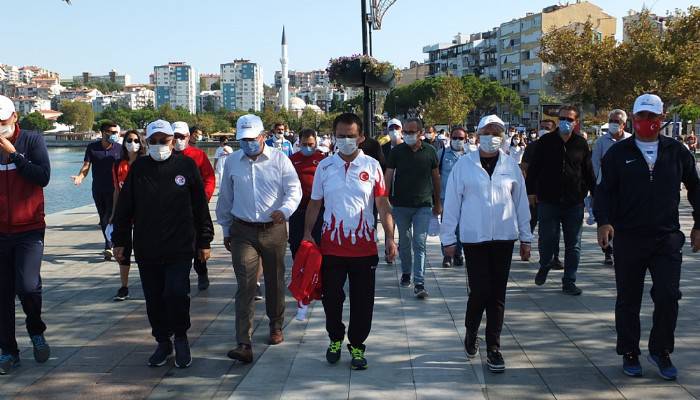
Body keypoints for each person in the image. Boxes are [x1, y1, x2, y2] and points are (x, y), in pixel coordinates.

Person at [595, 94, 700, 381]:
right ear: (633, 118)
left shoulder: (676, 151)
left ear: (661, 118)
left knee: (668, 295)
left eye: (652, 118)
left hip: (666, 238)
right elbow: (603, 191)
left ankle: (661, 350)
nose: (646, 123)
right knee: (628, 298)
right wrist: (603, 222)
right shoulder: (619, 153)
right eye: (641, 117)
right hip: (629, 237)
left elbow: (695, 187)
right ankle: (629, 351)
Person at [112, 119, 214, 369]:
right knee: (154, 298)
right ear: (147, 142)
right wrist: (120, 241)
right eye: (154, 141)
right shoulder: (139, 168)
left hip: (180, 245)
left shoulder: (187, 165)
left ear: (172, 140)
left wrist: (204, 240)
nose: (159, 145)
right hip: (148, 246)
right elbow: (125, 207)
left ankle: (180, 337)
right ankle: (162, 341)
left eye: (164, 140)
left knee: (177, 293)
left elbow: (200, 206)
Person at [303, 113, 397, 371]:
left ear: (361, 138)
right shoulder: (325, 167)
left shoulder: (372, 166)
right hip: (331, 248)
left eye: (350, 136)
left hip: (364, 249)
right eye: (341, 136)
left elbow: (382, 205)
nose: (345, 140)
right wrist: (307, 233)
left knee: (362, 302)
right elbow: (315, 203)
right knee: (331, 300)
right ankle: (335, 337)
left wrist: (390, 238)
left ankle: (357, 345)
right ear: (334, 137)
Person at [441, 114, 532, 373]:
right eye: (488, 131)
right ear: (477, 134)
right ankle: (472, 330)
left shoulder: (510, 165)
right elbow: (452, 204)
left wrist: (526, 237)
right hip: (474, 239)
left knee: (498, 294)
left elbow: (521, 203)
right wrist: (448, 239)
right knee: (480, 290)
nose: (492, 137)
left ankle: (494, 347)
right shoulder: (464, 165)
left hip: (504, 237)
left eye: (497, 132)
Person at [216, 114, 301, 364]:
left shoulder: (280, 159)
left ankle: (276, 325)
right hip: (243, 230)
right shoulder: (232, 161)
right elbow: (226, 198)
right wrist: (226, 229)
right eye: (243, 139)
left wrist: (285, 211)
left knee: (275, 281)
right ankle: (244, 341)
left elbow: (294, 189)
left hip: (273, 228)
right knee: (246, 284)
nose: (247, 143)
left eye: (252, 138)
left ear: (263, 136)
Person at [0, 96, 51, 375]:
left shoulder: (32, 140)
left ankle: (36, 329)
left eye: (3, 122)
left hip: (29, 229)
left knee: (28, 286)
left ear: (15, 117)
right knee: (3, 295)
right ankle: (8, 351)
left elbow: (42, 176)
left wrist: (14, 155)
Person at [526, 106, 595, 296]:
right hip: (548, 200)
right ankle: (545, 263)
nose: (566, 122)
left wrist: (595, 195)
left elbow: (588, 172)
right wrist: (530, 192)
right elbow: (533, 170)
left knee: (574, 244)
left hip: (574, 202)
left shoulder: (580, 143)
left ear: (576, 122)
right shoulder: (546, 141)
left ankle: (569, 281)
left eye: (570, 119)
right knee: (547, 238)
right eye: (563, 118)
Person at [385, 118, 442, 298]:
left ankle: (419, 282)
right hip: (401, 205)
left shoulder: (430, 152)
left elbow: (436, 178)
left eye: (412, 132)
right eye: (406, 132)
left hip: (423, 205)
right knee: (405, 241)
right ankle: (406, 272)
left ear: (420, 132)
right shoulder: (397, 152)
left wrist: (438, 202)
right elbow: (389, 175)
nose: (408, 135)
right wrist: (384, 199)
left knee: (419, 242)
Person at [172, 121, 216, 290]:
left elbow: (209, 178)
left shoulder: (198, 155)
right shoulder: (165, 155)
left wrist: (203, 198)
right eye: (174, 137)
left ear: (188, 137)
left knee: (199, 244)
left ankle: (202, 271)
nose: (177, 140)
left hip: (195, 208)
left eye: (181, 137)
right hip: (173, 211)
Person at [288, 129, 326, 321]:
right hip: (297, 211)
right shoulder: (292, 160)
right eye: (305, 143)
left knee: (319, 248)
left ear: (316, 142)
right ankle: (301, 278)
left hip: (319, 211)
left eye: (311, 144)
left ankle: (319, 283)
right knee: (297, 247)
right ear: (299, 142)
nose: (308, 147)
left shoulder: (323, 159)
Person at [71, 120, 122, 261]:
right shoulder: (92, 147)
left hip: (115, 190)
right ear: (103, 133)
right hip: (98, 189)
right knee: (103, 218)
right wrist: (80, 176)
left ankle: (108, 245)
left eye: (115, 132)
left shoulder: (119, 148)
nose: (114, 135)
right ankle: (110, 244)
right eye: (111, 132)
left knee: (109, 216)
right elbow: (86, 165)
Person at [591, 109, 632, 267]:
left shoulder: (630, 140)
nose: (614, 124)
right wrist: (597, 183)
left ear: (624, 124)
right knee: (606, 218)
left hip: (626, 188)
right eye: (612, 121)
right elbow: (594, 163)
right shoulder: (602, 141)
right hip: (606, 186)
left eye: (617, 122)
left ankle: (621, 248)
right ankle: (607, 250)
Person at [109, 130, 147, 301]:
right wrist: (113, 213)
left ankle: (149, 283)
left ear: (141, 143)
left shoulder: (146, 163)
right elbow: (117, 190)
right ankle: (124, 286)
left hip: (143, 215)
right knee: (122, 250)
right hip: (124, 216)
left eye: (136, 140)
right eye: (129, 140)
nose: (132, 143)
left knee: (144, 251)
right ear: (124, 143)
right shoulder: (118, 165)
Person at [521, 119, 562, 269]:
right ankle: (526, 248)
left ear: (554, 130)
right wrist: (528, 190)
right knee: (530, 222)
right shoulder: (532, 147)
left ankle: (554, 257)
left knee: (552, 228)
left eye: (547, 128)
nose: (544, 130)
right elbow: (524, 168)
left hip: (553, 194)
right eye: (542, 127)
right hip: (534, 193)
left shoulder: (559, 146)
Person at [437, 127, 468, 268]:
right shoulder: (442, 154)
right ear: (450, 138)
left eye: (460, 138)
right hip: (446, 198)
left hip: (465, 198)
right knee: (447, 227)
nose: (457, 140)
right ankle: (447, 256)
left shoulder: (470, 156)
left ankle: (458, 254)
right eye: (454, 137)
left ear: (465, 139)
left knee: (461, 228)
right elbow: (435, 176)